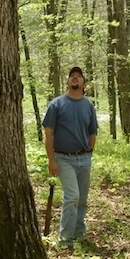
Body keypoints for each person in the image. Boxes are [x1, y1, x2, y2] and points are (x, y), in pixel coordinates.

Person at [43, 66, 98, 247]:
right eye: (72, 76)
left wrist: (88, 152)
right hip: (63, 158)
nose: (75, 78)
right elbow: (48, 133)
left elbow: (92, 132)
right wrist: (52, 160)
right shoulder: (57, 104)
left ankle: (79, 233)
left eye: (79, 76)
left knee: (82, 198)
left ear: (84, 83)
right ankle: (65, 239)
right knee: (72, 196)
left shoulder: (88, 105)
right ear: (67, 82)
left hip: (83, 158)